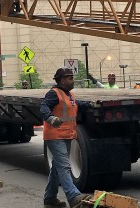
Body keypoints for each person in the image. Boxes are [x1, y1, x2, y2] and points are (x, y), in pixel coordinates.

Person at [40, 67, 93, 208]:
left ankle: (49, 199)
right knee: (64, 166)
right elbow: (43, 107)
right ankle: (73, 196)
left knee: (57, 167)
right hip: (55, 136)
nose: (72, 80)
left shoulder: (69, 95)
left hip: (67, 135)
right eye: (70, 78)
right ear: (62, 80)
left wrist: (91, 104)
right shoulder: (53, 93)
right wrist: (51, 118)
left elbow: (77, 104)